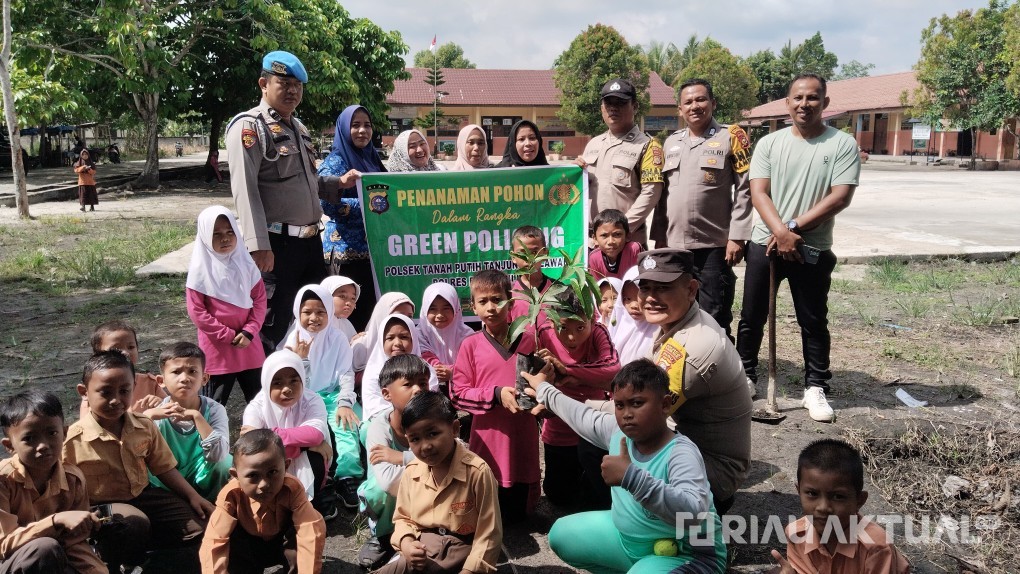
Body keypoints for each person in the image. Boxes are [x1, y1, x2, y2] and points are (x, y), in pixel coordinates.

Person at [521, 360, 727, 574]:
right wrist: (544, 388)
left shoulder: (681, 452)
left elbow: (695, 512)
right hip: (630, 544)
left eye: (637, 403)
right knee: (561, 535)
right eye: (620, 405)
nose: (627, 414)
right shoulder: (617, 432)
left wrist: (632, 477)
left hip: (689, 555)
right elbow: (580, 415)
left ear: (665, 405)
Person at [735, 73, 861, 422]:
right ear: (788, 103)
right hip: (765, 244)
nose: (805, 104)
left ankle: (815, 387)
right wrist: (780, 231)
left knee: (813, 319)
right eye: (798, 98)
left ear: (825, 103)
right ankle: (746, 375)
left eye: (813, 98)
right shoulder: (769, 144)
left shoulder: (842, 144)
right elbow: (759, 193)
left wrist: (792, 229)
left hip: (811, 247)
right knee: (752, 316)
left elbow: (840, 197)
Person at [225, 50, 355, 349]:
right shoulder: (250, 127)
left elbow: (306, 182)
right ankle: (269, 377)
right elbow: (245, 189)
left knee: (315, 318)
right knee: (275, 322)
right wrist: (258, 244)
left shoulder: (298, 128)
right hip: (276, 244)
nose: (292, 91)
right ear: (264, 84)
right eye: (284, 84)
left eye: (297, 85)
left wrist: (338, 183)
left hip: (310, 242)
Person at [63, 351, 215, 570]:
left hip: (143, 496)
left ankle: (151, 565)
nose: (116, 400)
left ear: (134, 386)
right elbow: (62, 486)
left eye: (124, 391)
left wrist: (194, 497)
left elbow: (164, 468)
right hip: (101, 507)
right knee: (133, 524)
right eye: (105, 392)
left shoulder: (144, 425)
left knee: (200, 526)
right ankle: (113, 562)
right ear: (84, 392)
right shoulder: (72, 439)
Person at [638, 248, 751, 513]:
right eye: (645, 288)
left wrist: (558, 399)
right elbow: (637, 383)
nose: (651, 298)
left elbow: (639, 416)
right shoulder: (680, 321)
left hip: (713, 478)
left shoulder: (691, 349)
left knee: (615, 440)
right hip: (695, 454)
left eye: (663, 288)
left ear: (691, 290)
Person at [650, 78, 752, 340]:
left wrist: (737, 236)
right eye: (688, 102)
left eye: (700, 99)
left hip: (714, 245)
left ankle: (719, 362)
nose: (694, 106)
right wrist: (659, 237)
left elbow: (745, 189)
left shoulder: (731, 137)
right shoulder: (671, 143)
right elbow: (663, 195)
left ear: (713, 103)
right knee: (676, 309)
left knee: (713, 313)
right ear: (680, 109)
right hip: (675, 245)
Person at [451, 269, 542, 525]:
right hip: (489, 434)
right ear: (473, 307)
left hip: (523, 430)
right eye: (483, 301)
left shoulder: (528, 341)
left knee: (522, 505)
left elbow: (540, 382)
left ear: (510, 303)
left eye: (497, 299)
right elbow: (458, 393)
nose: (491, 307)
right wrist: (495, 394)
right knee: (489, 499)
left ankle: (524, 514)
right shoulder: (471, 345)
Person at [379, 391, 502, 574]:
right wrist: (407, 544)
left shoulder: (477, 472)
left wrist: (470, 571)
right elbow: (403, 518)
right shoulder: (411, 471)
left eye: (433, 434)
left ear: (454, 429)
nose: (425, 446)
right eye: (415, 439)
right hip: (423, 547)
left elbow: (489, 533)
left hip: (463, 550)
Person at [0, 390, 107, 574]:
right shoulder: (4, 481)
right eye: (29, 438)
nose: (43, 445)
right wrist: (55, 521)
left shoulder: (73, 479)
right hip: (10, 562)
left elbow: (74, 540)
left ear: (64, 433)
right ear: (9, 446)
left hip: (55, 557)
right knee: (44, 548)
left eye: (52, 433)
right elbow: (3, 544)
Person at [771, 439, 911, 574]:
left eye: (838, 496)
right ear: (799, 492)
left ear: (859, 500)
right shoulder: (796, 534)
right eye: (812, 494)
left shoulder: (876, 549)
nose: (823, 507)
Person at [536, 289, 620, 510]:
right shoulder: (543, 333)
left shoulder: (599, 332)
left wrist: (568, 371)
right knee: (558, 495)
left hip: (592, 426)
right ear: (552, 321)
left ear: (592, 319)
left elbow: (613, 368)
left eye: (580, 328)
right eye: (563, 328)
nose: (571, 337)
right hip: (558, 429)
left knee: (597, 495)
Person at [199, 429, 326, 574]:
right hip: (248, 550)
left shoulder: (292, 489)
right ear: (236, 475)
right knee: (228, 535)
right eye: (253, 475)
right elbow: (214, 541)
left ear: (286, 466)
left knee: (305, 528)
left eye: (272, 472)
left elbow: (310, 530)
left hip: (281, 545)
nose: (264, 484)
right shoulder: (231, 495)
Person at [279, 285, 360, 511]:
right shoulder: (292, 340)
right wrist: (301, 359)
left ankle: (348, 475)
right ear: (297, 312)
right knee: (314, 433)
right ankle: (323, 480)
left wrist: (344, 403)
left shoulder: (337, 338)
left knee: (346, 427)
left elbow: (346, 373)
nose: (314, 318)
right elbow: (291, 382)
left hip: (333, 395)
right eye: (307, 312)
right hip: (301, 398)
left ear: (329, 313)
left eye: (321, 312)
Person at [186, 206, 266, 405]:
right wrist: (227, 335)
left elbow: (260, 301)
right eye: (216, 234)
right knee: (213, 403)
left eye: (230, 232)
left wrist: (249, 331)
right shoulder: (200, 271)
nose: (225, 239)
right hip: (217, 349)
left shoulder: (247, 265)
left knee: (260, 400)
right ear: (205, 236)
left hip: (249, 344)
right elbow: (197, 312)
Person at [355, 355, 430, 569]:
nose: (417, 390)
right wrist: (432, 467)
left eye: (423, 383)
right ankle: (384, 534)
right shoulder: (379, 427)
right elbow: (389, 482)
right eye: (408, 384)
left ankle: (426, 528)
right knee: (380, 489)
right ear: (386, 394)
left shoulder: (436, 417)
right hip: (394, 495)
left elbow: (457, 451)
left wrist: (403, 458)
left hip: (421, 493)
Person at [318, 104, 386, 331]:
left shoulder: (373, 159)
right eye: (355, 125)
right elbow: (325, 202)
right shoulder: (335, 162)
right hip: (346, 254)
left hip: (373, 252)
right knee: (348, 320)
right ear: (344, 129)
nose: (362, 131)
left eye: (367, 125)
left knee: (371, 318)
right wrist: (370, 206)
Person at [241, 350, 331, 513]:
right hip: (269, 464)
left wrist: (267, 433)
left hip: (292, 459)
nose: (287, 389)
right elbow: (255, 450)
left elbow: (315, 434)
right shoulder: (256, 408)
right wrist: (303, 446)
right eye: (277, 383)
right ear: (266, 383)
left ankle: (315, 495)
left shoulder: (312, 400)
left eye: (294, 381)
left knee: (316, 457)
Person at [579, 78, 664, 245]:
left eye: (621, 102)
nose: (613, 108)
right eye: (608, 103)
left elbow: (651, 193)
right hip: (592, 242)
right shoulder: (593, 144)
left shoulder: (648, 145)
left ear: (635, 106)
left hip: (627, 242)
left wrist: (620, 231)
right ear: (602, 108)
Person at [148, 343, 232, 502]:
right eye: (176, 372)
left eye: (192, 371)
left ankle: (217, 505)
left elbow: (219, 455)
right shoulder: (157, 414)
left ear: (204, 378)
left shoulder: (215, 409)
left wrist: (197, 417)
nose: (184, 378)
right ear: (161, 381)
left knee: (225, 462)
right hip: (167, 479)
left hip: (202, 475)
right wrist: (147, 417)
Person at [360, 314, 438, 424]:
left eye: (404, 337)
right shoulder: (373, 371)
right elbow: (374, 406)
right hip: (383, 423)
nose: (397, 343)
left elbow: (429, 401)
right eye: (390, 338)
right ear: (382, 342)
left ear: (414, 339)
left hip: (420, 421)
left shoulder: (425, 370)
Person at [81, 320, 166, 420]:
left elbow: (170, 409)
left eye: (131, 347)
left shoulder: (150, 383)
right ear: (98, 355)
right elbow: (86, 424)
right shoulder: (95, 388)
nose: (126, 352)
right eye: (116, 349)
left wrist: (160, 403)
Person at [418, 282, 474, 393]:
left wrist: (453, 372)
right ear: (425, 310)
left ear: (456, 309)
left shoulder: (468, 335)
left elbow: (472, 364)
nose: (439, 315)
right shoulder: (418, 334)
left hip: (463, 390)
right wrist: (435, 369)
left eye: (446, 308)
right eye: (433, 309)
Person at [350, 292, 415, 373]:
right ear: (383, 314)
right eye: (399, 315)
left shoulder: (414, 342)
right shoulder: (361, 345)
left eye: (410, 316)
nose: (405, 320)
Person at [610, 266, 657, 364]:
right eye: (627, 299)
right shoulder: (618, 325)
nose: (634, 305)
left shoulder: (658, 330)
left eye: (639, 298)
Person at [508, 225, 551, 322]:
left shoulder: (557, 289)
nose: (528, 258)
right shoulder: (508, 293)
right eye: (522, 253)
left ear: (545, 254)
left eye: (534, 252)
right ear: (513, 257)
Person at [589, 209, 642, 281]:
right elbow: (597, 286)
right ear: (595, 239)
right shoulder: (594, 258)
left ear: (628, 236)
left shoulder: (633, 250)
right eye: (604, 235)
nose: (611, 241)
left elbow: (643, 281)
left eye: (617, 234)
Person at [320, 275, 359, 341]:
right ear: (327, 296)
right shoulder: (317, 323)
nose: (349, 303)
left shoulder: (347, 324)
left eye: (353, 298)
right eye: (342, 296)